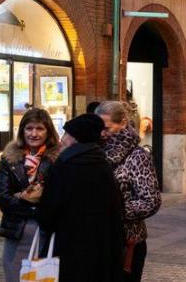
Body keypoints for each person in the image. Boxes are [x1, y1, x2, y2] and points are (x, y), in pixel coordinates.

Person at [37, 113, 124, 282]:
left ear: (75, 138)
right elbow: (117, 209)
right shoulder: (103, 165)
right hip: (101, 250)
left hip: (68, 249)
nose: (62, 139)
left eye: (66, 134)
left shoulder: (64, 165)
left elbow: (48, 212)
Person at [96, 101, 162, 282]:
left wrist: (115, 211)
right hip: (98, 240)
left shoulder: (138, 156)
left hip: (127, 241)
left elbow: (151, 201)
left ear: (123, 123)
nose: (103, 133)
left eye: (107, 128)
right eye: (99, 128)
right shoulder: (94, 151)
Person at [0, 108, 60, 282]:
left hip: (47, 234)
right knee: (14, 277)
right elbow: (4, 200)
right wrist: (35, 205)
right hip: (16, 231)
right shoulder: (9, 158)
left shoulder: (58, 158)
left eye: (39, 128)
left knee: (43, 278)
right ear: (22, 130)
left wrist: (22, 196)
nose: (34, 133)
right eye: (29, 128)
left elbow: (59, 199)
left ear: (48, 131)